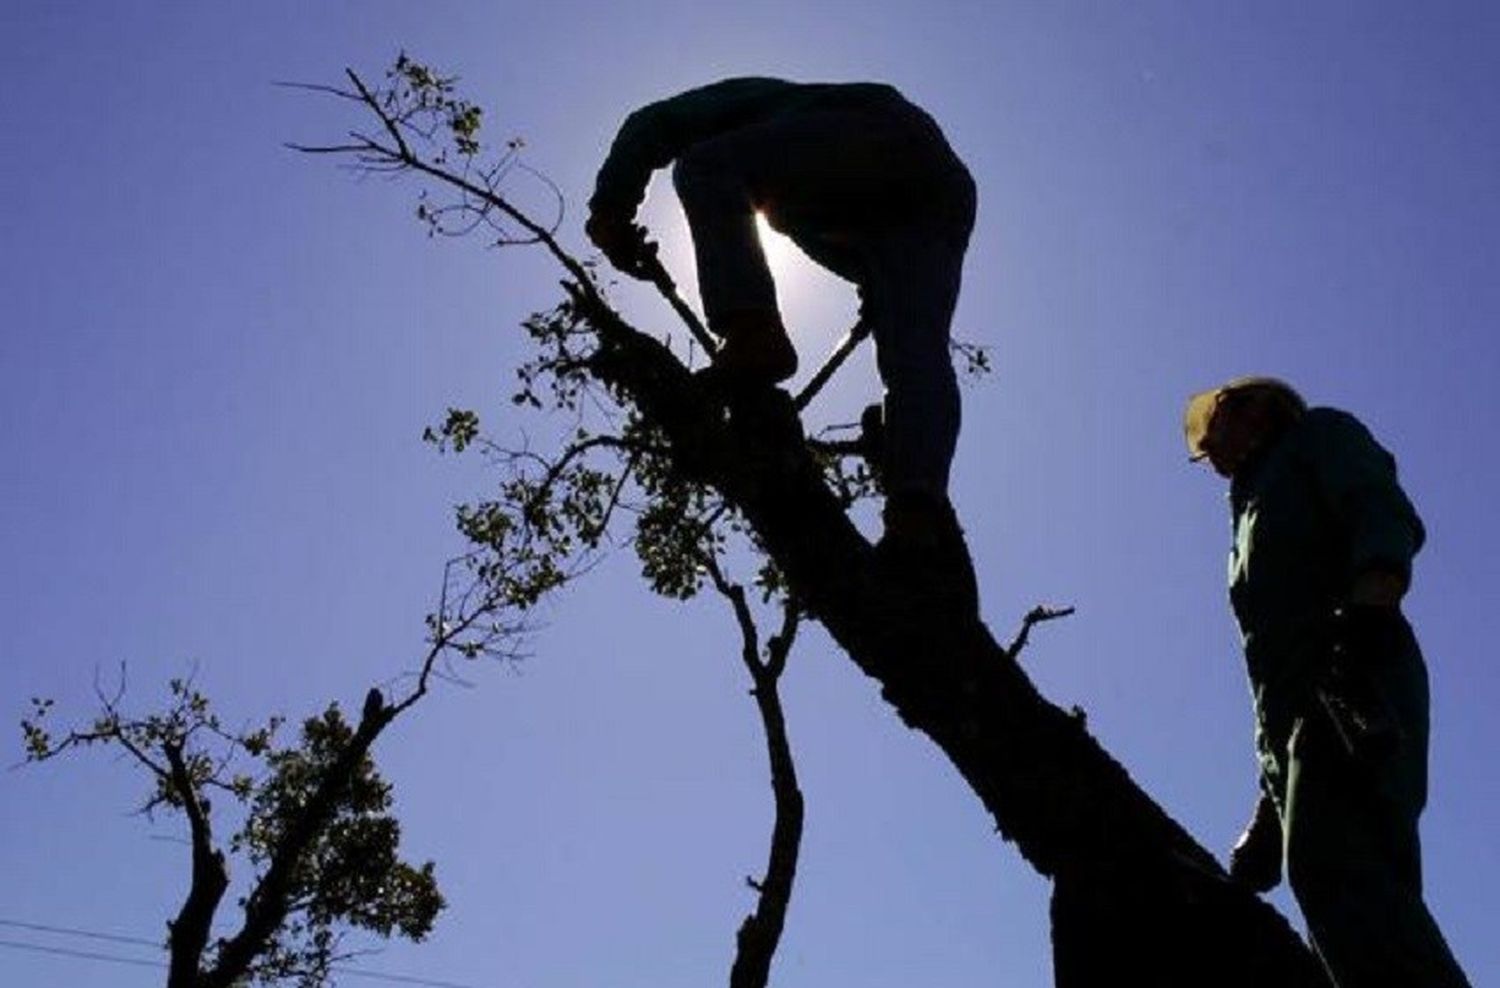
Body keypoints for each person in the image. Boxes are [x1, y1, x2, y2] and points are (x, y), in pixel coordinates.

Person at [586, 77, 977, 552]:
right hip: (941, 192)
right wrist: (878, 290)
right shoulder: (805, 185)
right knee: (915, 354)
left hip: (883, 136)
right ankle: (915, 516)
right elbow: (870, 248)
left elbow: (651, 122)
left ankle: (753, 332)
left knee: (705, 166)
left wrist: (609, 210)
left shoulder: (749, 110)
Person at [1183, 376, 1470, 987]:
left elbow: (1381, 508)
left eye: (1217, 428)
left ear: (1256, 407)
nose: (1210, 451)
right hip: (1301, 727)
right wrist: (1270, 806)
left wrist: (1368, 616)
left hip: (1355, 677)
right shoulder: (1245, 518)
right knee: (1350, 897)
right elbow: (1272, 677)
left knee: (1337, 871)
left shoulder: (1317, 437)